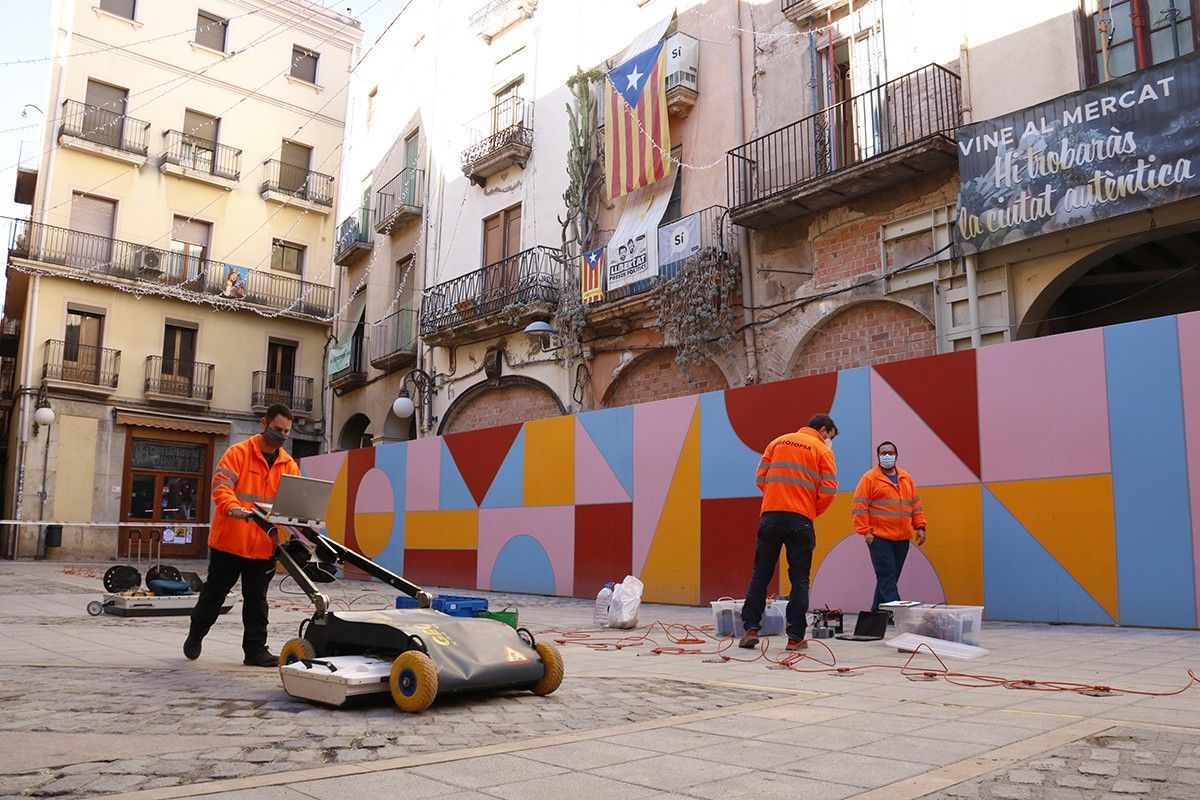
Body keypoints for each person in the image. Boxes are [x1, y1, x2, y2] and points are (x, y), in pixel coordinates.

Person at [184, 404, 300, 667]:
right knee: (214, 595)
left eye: (286, 431)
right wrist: (233, 508)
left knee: (257, 600)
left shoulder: (289, 465)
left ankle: (255, 651)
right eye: (277, 429)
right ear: (264, 423)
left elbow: (292, 502)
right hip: (230, 542)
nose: (281, 435)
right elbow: (221, 487)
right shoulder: (238, 453)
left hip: (263, 545)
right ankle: (196, 634)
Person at [739, 413, 839, 652]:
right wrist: (809, 510)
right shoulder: (823, 451)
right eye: (831, 436)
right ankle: (795, 638)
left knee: (760, 575)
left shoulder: (777, 442)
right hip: (801, 520)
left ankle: (750, 629)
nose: (830, 440)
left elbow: (760, 479)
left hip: (770, 516)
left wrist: (777, 497)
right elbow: (829, 489)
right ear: (824, 431)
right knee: (799, 579)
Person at [852, 441, 927, 612]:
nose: (887, 456)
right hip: (879, 538)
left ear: (896, 454)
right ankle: (902, 614)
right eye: (883, 453)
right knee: (887, 576)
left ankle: (876, 613)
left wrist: (920, 526)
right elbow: (859, 506)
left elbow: (915, 504)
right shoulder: (869, 478)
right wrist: (866, 532)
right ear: (878, 456)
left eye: (890, 452)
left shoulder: (906, 478)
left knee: (889, 578)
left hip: (902, 538)